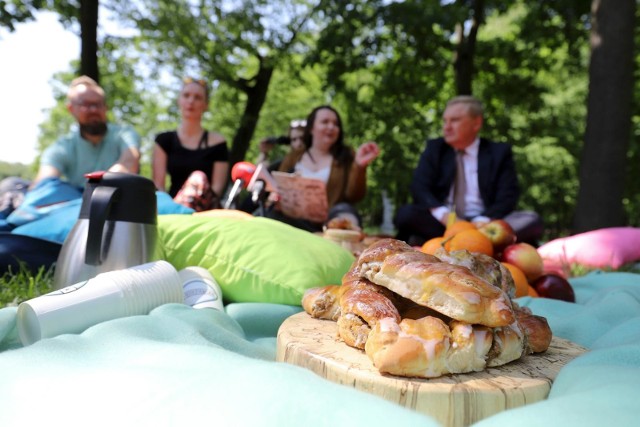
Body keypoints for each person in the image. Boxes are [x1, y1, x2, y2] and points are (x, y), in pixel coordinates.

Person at [394, 95, 543, 246]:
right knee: (406, 214)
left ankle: (463, 240)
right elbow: (420, 188)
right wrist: (447, 217)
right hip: (445, 224)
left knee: (531, 220)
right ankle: (476, 242)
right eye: (445, 121)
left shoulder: (498, 153)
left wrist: (480, 222)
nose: (447, 126)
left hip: (486, 224)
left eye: (455, 120)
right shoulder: (435, 149)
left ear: (476, 123)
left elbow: (508, 196)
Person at [268, 105, 380, 232]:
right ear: (311, 128)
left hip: (329, 224)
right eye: (325, 122)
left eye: (335, 124)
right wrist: (275, 196)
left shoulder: (347, 156)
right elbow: (278, 188)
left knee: (346, 211)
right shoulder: (294, 156)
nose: (331, 127)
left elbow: (354, 196)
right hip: (292, 219)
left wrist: (359, 167)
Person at [32, 75, 141, 189]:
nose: (93, 110)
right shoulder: (62, 147)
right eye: (85, 104)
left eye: (98, 104)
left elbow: (129, 162)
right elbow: (44, 182)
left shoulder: (124, 134)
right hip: (75, 202)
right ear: (71, 109)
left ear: (105, 107)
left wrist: (101, 187)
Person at [153, 77, 230, 211]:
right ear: (179, 100)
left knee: (198, 177)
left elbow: (217, 190)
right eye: (186, 95)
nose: (191, 101)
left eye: (197, 97)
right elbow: (159, 187)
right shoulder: (164, 140)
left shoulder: (218, 143)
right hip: (171, 208)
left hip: (205, 211)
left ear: (206, 105)